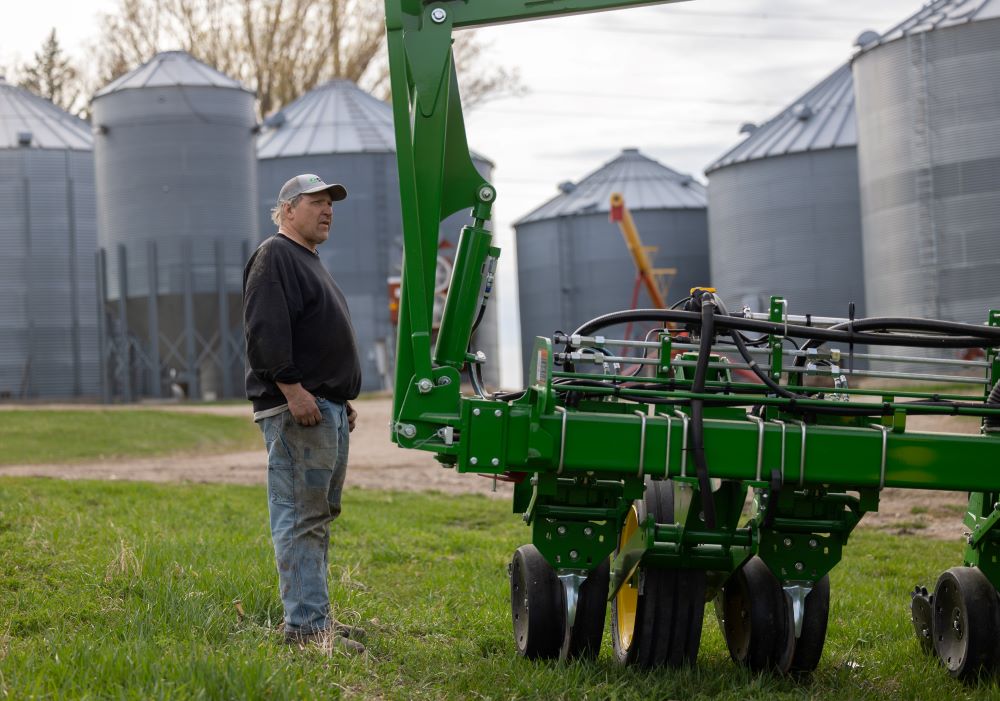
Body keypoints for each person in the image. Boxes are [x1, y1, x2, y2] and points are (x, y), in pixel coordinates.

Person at [243, 173, 365, 654]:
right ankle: (306, 631)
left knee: (319, 514)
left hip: (324, 406)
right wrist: (293, 390)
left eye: (331, 202)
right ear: (288, 209)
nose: (327, 209)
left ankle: (316, 618)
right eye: (316, 202)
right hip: (299, 410)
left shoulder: (309, 260)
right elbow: (264, 332)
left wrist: (340, 396)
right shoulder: (275, 256)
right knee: (300, 516)